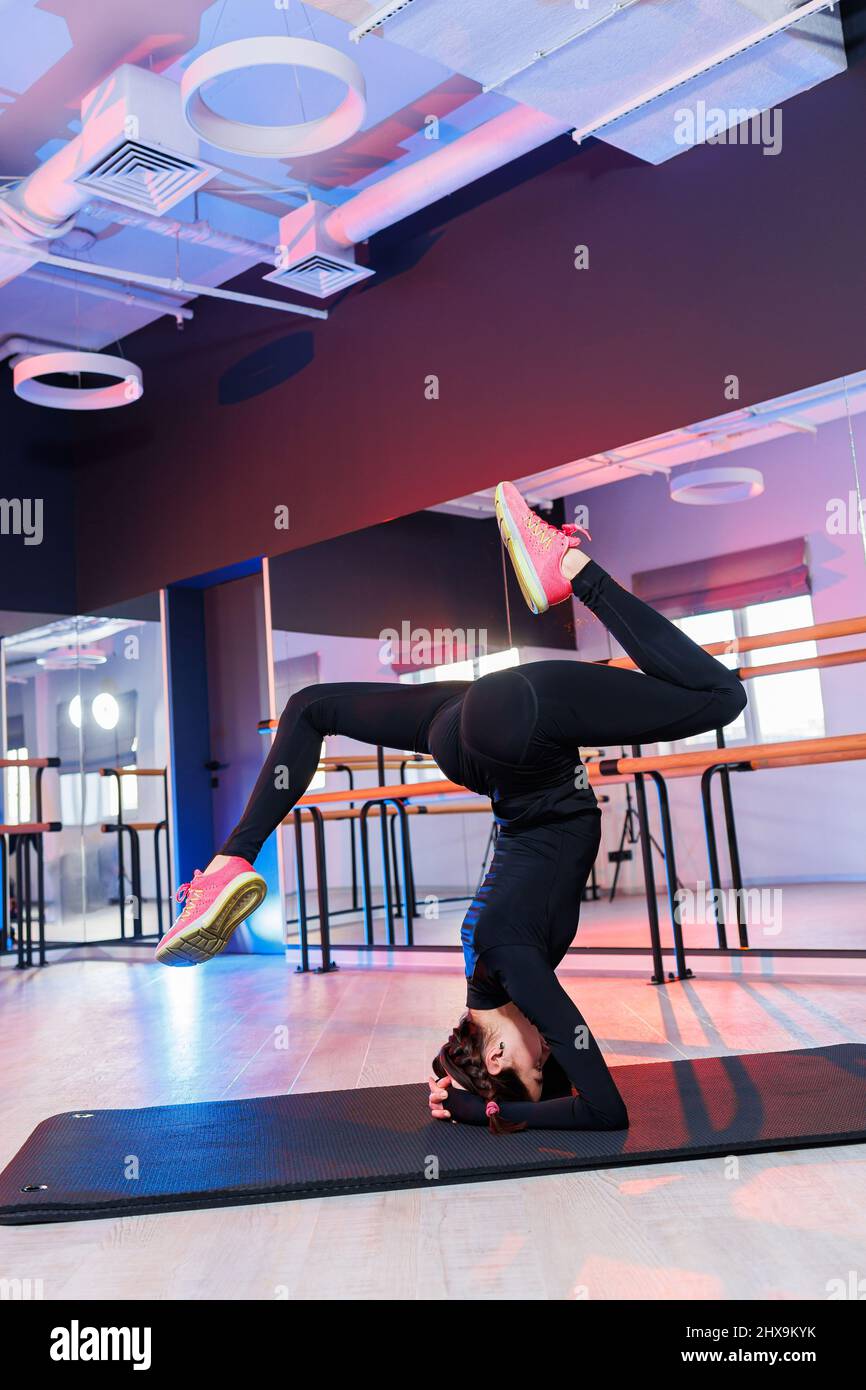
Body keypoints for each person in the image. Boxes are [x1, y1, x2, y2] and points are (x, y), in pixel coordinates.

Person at [156, 482, 747, 1135]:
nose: (552, 1047)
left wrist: (483, 1107)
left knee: (719, 698)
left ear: (495, 1051)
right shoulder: (485, 972)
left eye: (537, 1059)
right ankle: (231, 857)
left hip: (519, 729)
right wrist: (478, 1095)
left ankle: (573, 571)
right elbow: (547, 1074)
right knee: (312, 707)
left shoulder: (513, 961)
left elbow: (606, 1113)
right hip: (467, 739)